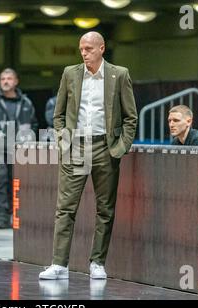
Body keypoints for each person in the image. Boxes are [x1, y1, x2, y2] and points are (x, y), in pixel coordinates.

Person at [39, 32, 138, 280]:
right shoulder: (70, 73)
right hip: (75, 146)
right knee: (65, 208)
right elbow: (58, 113)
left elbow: (130, 116)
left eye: (89, 49)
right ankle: (59, 264)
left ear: (102, 48)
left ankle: (97, 262)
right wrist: (63, 141)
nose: (84, 53)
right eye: (81, 48)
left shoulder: (120, 74)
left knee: (105, 209)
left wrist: (120, 147)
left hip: (105, 147)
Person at [0, 68, 37, 229]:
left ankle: (18, 216)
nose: (6, 81)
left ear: (16, 81)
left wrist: (29, 140)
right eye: (2, 79)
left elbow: (34, 124)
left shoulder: (26, 103)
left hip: (20, 150)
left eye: (9, 78)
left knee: (19, 183)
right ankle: (1, 218)